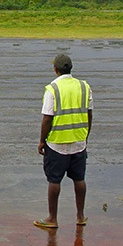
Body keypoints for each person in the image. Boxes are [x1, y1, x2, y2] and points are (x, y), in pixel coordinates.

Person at [34, 53, 92, 229]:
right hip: (78, 141)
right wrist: (85, 136)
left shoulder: (53, 89)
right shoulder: (84, 87)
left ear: (55, 69)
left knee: (54, 180)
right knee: (79, 179)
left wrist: (42, 141)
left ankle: (52, 218)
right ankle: (80, 216)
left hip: (57, 142)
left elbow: (47, 118)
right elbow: (89, 114)